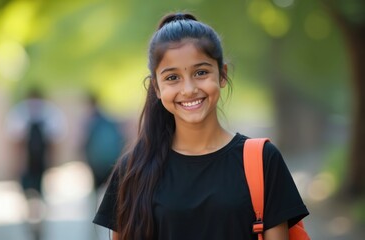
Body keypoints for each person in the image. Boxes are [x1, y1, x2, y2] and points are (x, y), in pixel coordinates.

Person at [93, 13, 309, 240]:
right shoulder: (132, 170)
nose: (188, 89)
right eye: (172, 77)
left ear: (222, 74)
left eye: (201, 72)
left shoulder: (262, 160)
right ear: (156, 88)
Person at [81, 93, 125, 190]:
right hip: (112, 159)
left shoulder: (90, 120)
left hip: (96, 161)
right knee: (112, 187)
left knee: (98, 188)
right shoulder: (108, 119)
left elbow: (84, 142)